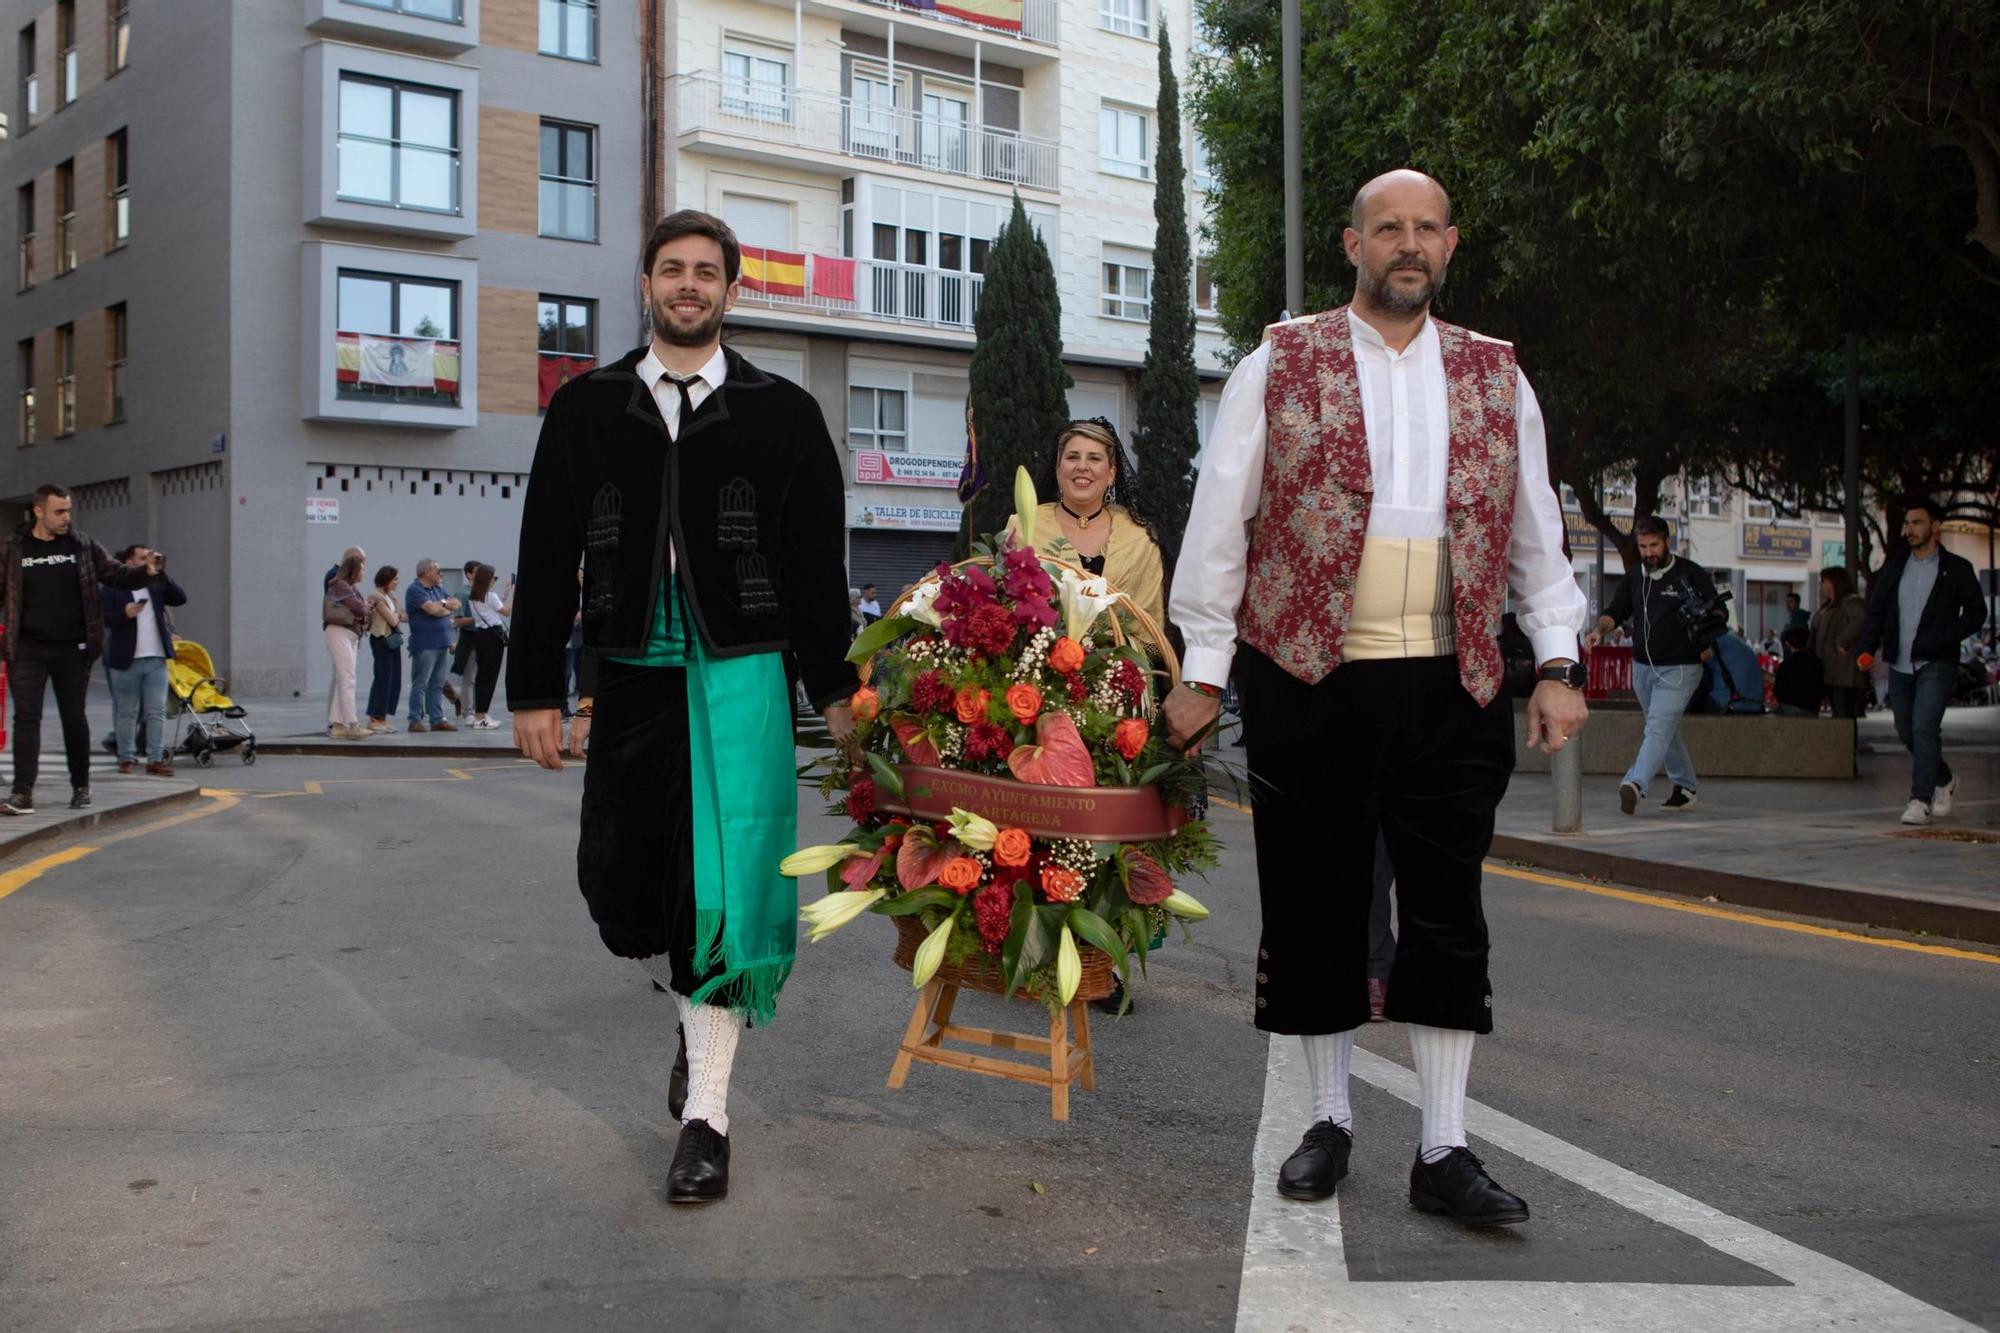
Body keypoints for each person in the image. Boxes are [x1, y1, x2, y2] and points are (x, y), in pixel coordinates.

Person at [1165, 170, 1589, 1227]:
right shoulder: (1281, 360)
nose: (1405, 245)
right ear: (1351, 243)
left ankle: (1442, 1148)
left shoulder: (1498, 375)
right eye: (1384, 229)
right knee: (1315, 901)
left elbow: (1533, 527)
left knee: (1448, 911)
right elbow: (1222, 513)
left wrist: (1557, 659)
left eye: (1424, 230)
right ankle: (1327, 1119)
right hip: (1310, 673)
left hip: (1452, 677)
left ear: (1449, 244)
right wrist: (1203, 665)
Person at [508, 210, 858, 1205]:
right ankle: (691, 1017)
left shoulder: (781, 413)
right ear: (646, 283)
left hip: (741, 669)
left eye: (707, 272)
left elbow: (814, 573)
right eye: (673, 270)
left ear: (732, 290)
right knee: (630, 881)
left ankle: (707, 1113)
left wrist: (833, 689)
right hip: (628, 670)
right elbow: (544, 554)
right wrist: (534, 686)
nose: (689, 285)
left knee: (726, 887)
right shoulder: (587, 408)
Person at [0, 484, 156, 813]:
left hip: (73, 647)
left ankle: (81, 786)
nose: (66, 517)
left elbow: (115, 574)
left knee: (74, 718)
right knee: (26, 718)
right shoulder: (13, 548)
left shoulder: (82, 545)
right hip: (26, 647)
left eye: (68, 510)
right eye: (59, 511)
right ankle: (22, 793)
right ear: (39, 511)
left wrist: (146, 573)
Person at [1857, 496, 1988, 826]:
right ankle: (1944, 778)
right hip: (1900, 662)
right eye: (1907, 523)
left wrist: (1948, 634)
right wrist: (1867, 648)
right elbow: (1876, 611)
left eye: (1917, 522)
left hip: (1937, 663)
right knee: (1907, 731)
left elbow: (1977, 612)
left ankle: (1919, 799)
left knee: (1924, 727)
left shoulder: (1956, 569)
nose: (1909, 529)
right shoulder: (1895, 567)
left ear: (1935, 526)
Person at [1586, 516, 1719, 814]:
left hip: (1681, 667)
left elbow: (1718, 612)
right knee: (1662, 727)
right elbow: (1616, 611)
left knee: (1657, 729)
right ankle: (1685, 786)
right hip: (1643, 668)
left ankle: (1635, 783)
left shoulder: (1690, 573)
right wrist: (1599, 631)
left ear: (1667, 542)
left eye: (1654, 545)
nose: (1649, 552)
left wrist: (1705, 641)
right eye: (1643, 546)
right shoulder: (1636, 576)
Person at [100, 544, 187, 775]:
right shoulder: (113, 586)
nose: (147, 561)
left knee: (156, 712)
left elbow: (180, 598)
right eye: (142, 558)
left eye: (150, 557)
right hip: (126, 659)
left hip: (156, 657)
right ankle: (126, 759)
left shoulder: (155, 582)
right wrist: (123, 614)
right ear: (128, 562)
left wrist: (160, 572)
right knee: (127, 712)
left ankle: (155, 759)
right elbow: (101, 616)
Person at [404, 560, 459, 733]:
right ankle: (414, 719)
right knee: (421, 683)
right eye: (437, 570)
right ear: (427, 571)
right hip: (425, 644)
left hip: (442, 642)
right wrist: (444, 606)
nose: (439, 573)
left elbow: (456, 603)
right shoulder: (415, 590)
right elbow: (432, 610)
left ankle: (437, 719)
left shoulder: (437, 589)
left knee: (437, 683)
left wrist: (442, 606)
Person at [323, 550, 370, 740]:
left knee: (345, 678)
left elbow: (364, 611)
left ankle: (337, 725)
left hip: (349, 634)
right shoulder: (341, 585)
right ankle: (352, 724)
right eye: (361, 569)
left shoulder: (349, 587)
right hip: (340, 632)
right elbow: (360, 609)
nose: (363, 573)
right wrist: (364, 608)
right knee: (348, 679)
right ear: (353, 570)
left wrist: (365, 609)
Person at [1810, 567, 1867, 719]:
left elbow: (1860, 620)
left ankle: (1846, 743)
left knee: (1843, 714)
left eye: (1823, 581)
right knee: (1837, 713)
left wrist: (1842, 641)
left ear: (1834, 582)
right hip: (1828, 668)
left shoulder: (1851, 602)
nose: (1821, 585)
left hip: (1844, 671)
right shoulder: (1828, 605)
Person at [462, 563, 511, 729]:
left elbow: (491, 610)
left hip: (480, 636)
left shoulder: (474, 595)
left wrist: (504, 595)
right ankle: (481, 716)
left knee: (482, 676)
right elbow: (506, 612)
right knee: (489, 677)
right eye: (493, 578)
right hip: (492, 637)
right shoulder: (489, 595)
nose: (494, 581)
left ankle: (480, 713)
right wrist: (515, 595)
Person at [364, 565, 406, 734]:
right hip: (380, 639)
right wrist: (396, 617)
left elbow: (402, 616)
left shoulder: (391, 596)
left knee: (394, 678)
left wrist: (397, 616)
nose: (397, 582)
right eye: (395, 579)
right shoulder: (375, 595)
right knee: (383, 677)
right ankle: (375, 717)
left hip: (393, 640)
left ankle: (383, 717)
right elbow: (394, 619)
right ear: (386, 579)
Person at [447, 559, 481, 715]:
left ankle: (479, 710)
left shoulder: (482, 591)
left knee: (480, 677)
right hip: (469, 638)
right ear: (468, 574)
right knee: (469, 677)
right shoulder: (463, 593)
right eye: (477, 572)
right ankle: (468, 711)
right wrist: (479, 617)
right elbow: (457, 620)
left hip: (483, 638)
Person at [1772, 626, 1820, 716]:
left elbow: (1779, 692)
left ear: (1788, 644)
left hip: (1789, 708)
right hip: (1812, 709)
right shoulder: (1817, 664)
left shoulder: (1785, 665)